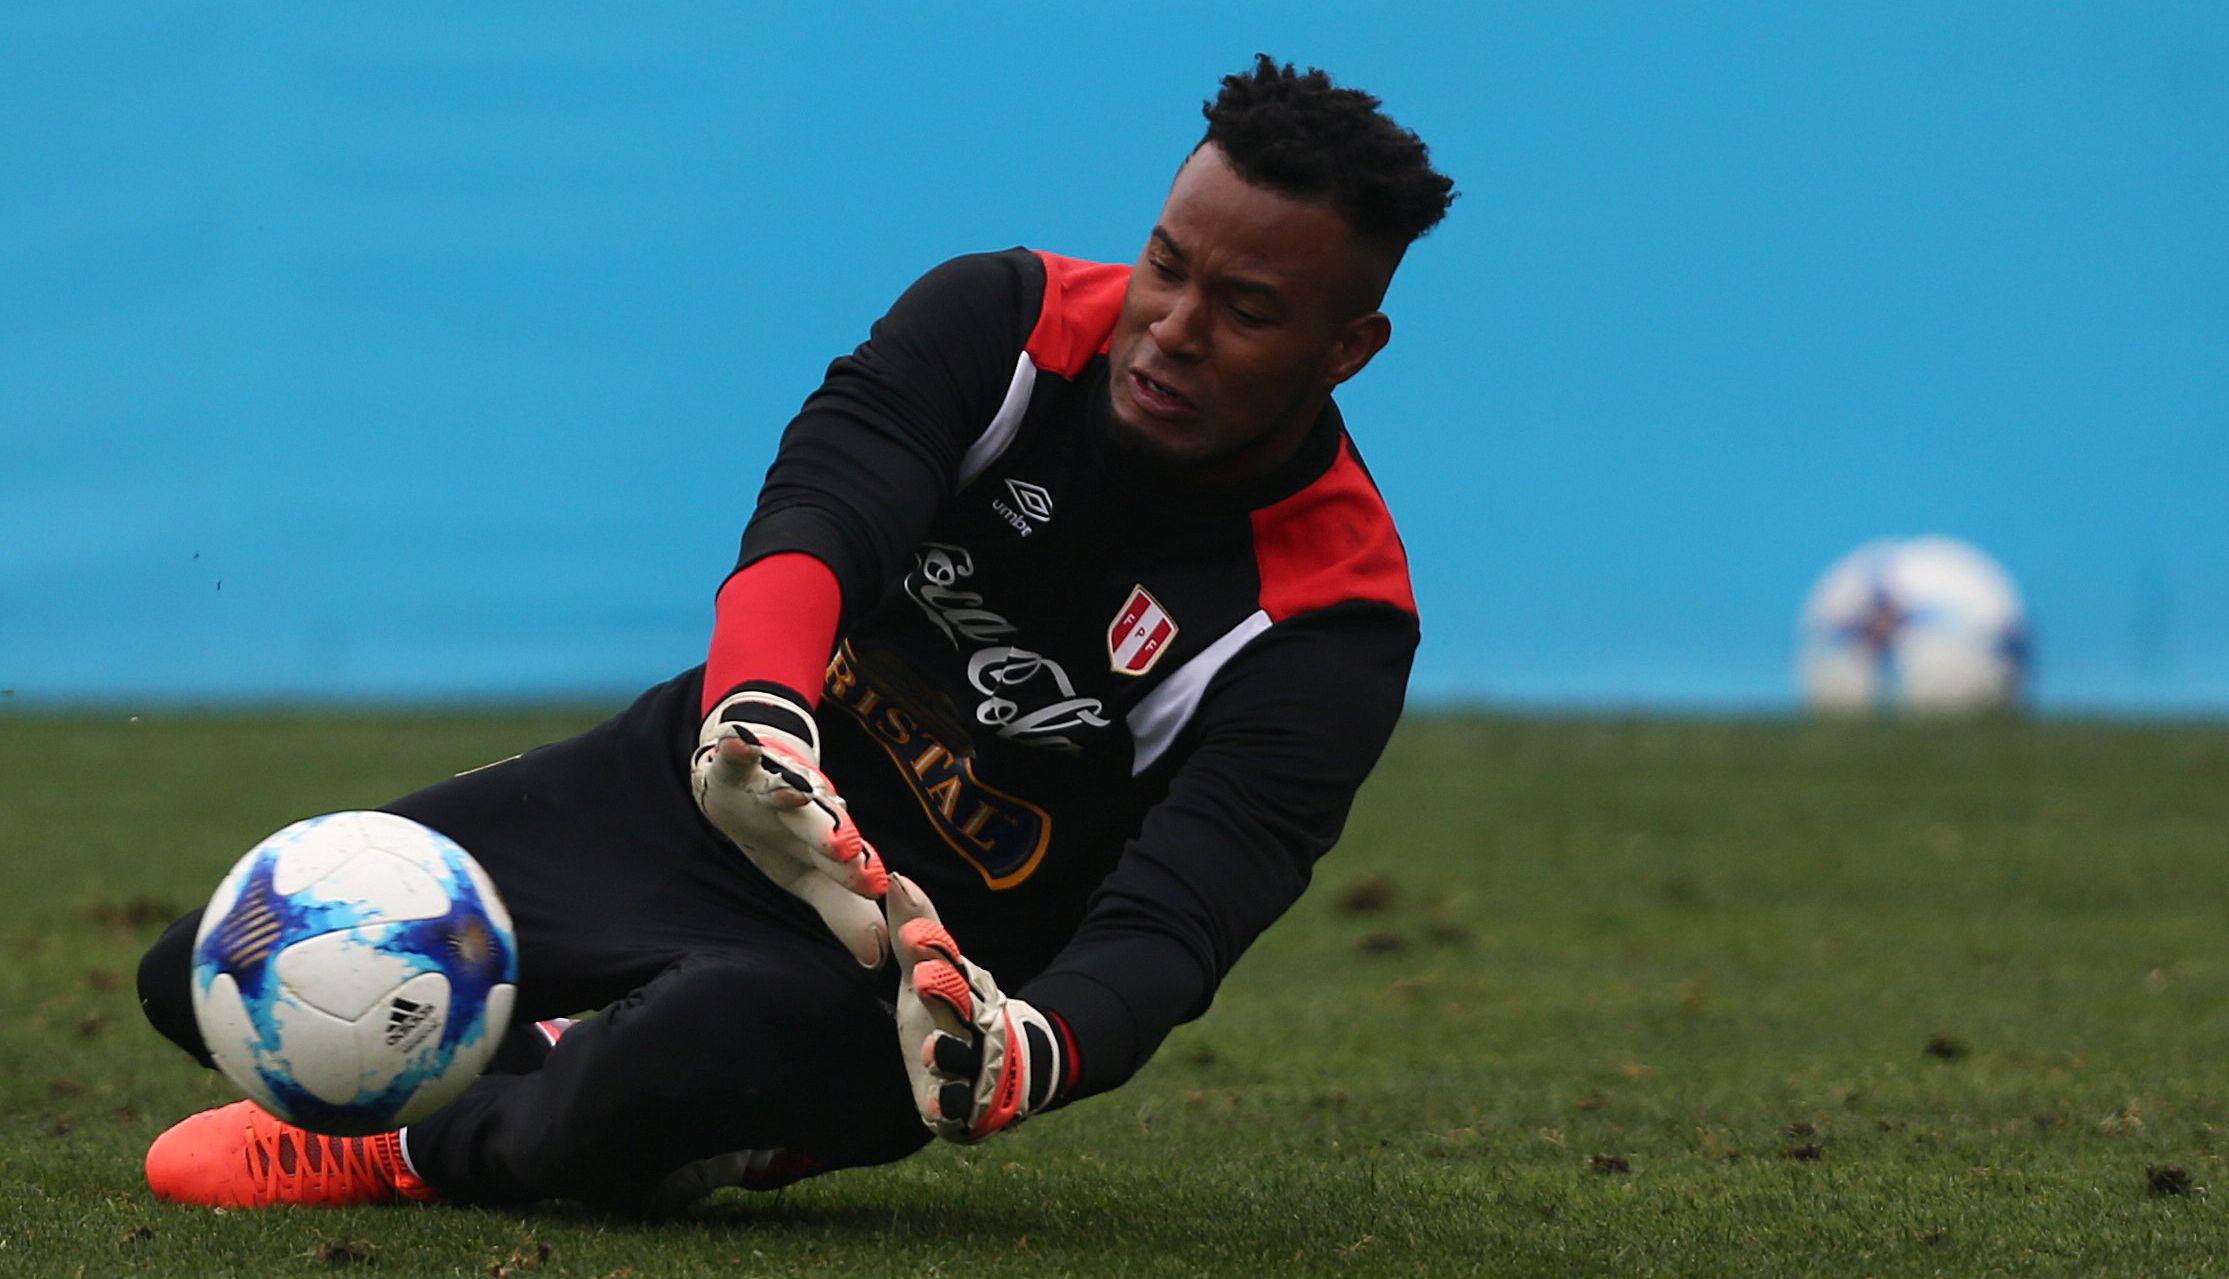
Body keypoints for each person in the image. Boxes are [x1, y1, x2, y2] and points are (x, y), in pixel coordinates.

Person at [135, 54, 1455, 1211]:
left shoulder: (1329, 618)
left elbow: (1173, 930)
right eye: (1168, 262)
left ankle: (430, 1150)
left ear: (1350, 349)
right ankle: (576, 1060)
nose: (1172, 326)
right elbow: (816, 525)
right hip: (697, 795)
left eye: (1247, 309)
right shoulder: (1001, 320)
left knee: (667, 1064)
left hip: (901, 970)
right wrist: (759, 719)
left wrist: (1024, 1049)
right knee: (204, 963)